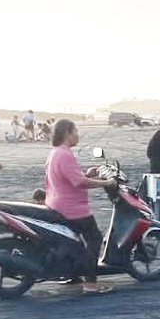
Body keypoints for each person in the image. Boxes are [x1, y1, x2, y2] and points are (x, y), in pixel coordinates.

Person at [45, 119, 117, 294]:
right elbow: (78, 182)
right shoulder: (65, 154)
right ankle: (90, 284)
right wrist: (106, 182)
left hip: (58, 205)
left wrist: (87, 174)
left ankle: (74, 274)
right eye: (76, 131)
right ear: (67, 133)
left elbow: (70, 178)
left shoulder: (56, 153)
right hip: (72, 210)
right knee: (95, 239)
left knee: (74, 243)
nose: (78, 135)